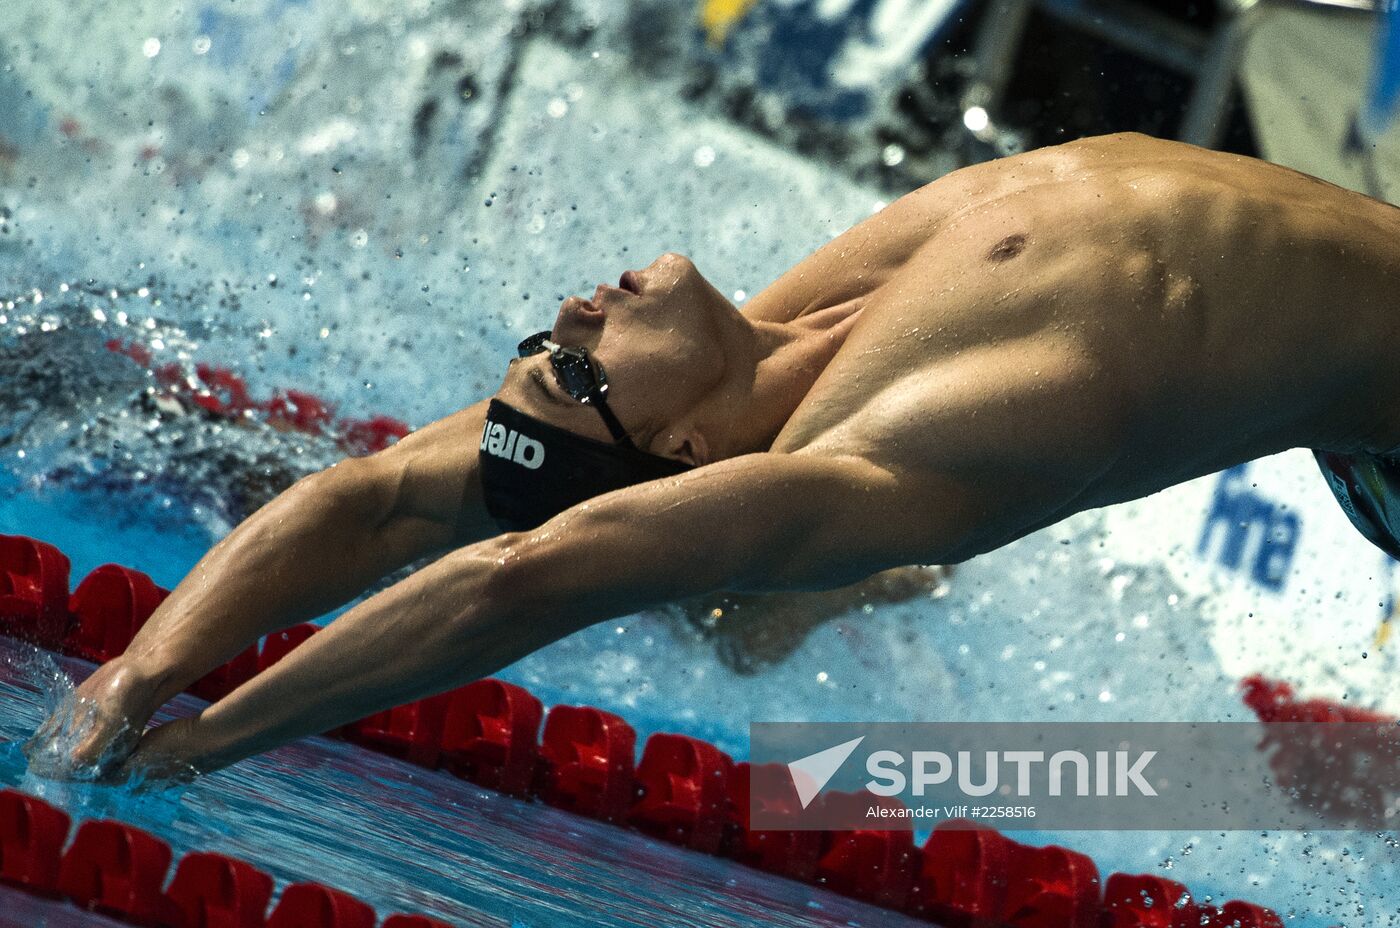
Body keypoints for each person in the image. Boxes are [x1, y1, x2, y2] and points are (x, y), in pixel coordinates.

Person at [25, 132, 1400, 782]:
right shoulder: (933, 425)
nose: (573, 310)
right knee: (807, 547)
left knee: (783, 573)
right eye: (574, 368)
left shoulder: (795, 330)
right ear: (680, 445)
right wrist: (208, 745)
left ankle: (785, 603)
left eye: (542, 345)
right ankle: (783, 597)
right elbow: (525, 575)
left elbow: (382, 494)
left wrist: (141, 666)